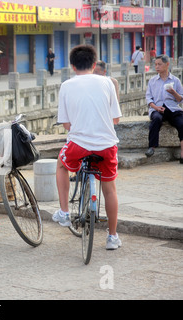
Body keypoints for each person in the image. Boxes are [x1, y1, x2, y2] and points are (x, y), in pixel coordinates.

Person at [54, 44, 123, 250]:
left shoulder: (66, 86)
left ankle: (65, 212)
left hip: (79, 145)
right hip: (107, 146)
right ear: (94, 64)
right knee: (109, 188)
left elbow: (66, 125)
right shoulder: (108, 82)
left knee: (61, 166)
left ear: (72, 66)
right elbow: (116, 119)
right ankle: (112, 237)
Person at [145, 54, 183, 163]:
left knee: (181, 124)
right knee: (156, 119)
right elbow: (148, 98)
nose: (157, 67)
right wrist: (155, 107)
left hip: (172, 108)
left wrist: (173, 92)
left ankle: (182, 154)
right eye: (155, 64)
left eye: (159, 64)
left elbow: (180, 99)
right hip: (157, 108)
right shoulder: (152, 81)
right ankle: (152, 147)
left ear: (167, 65)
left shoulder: (175, 80)